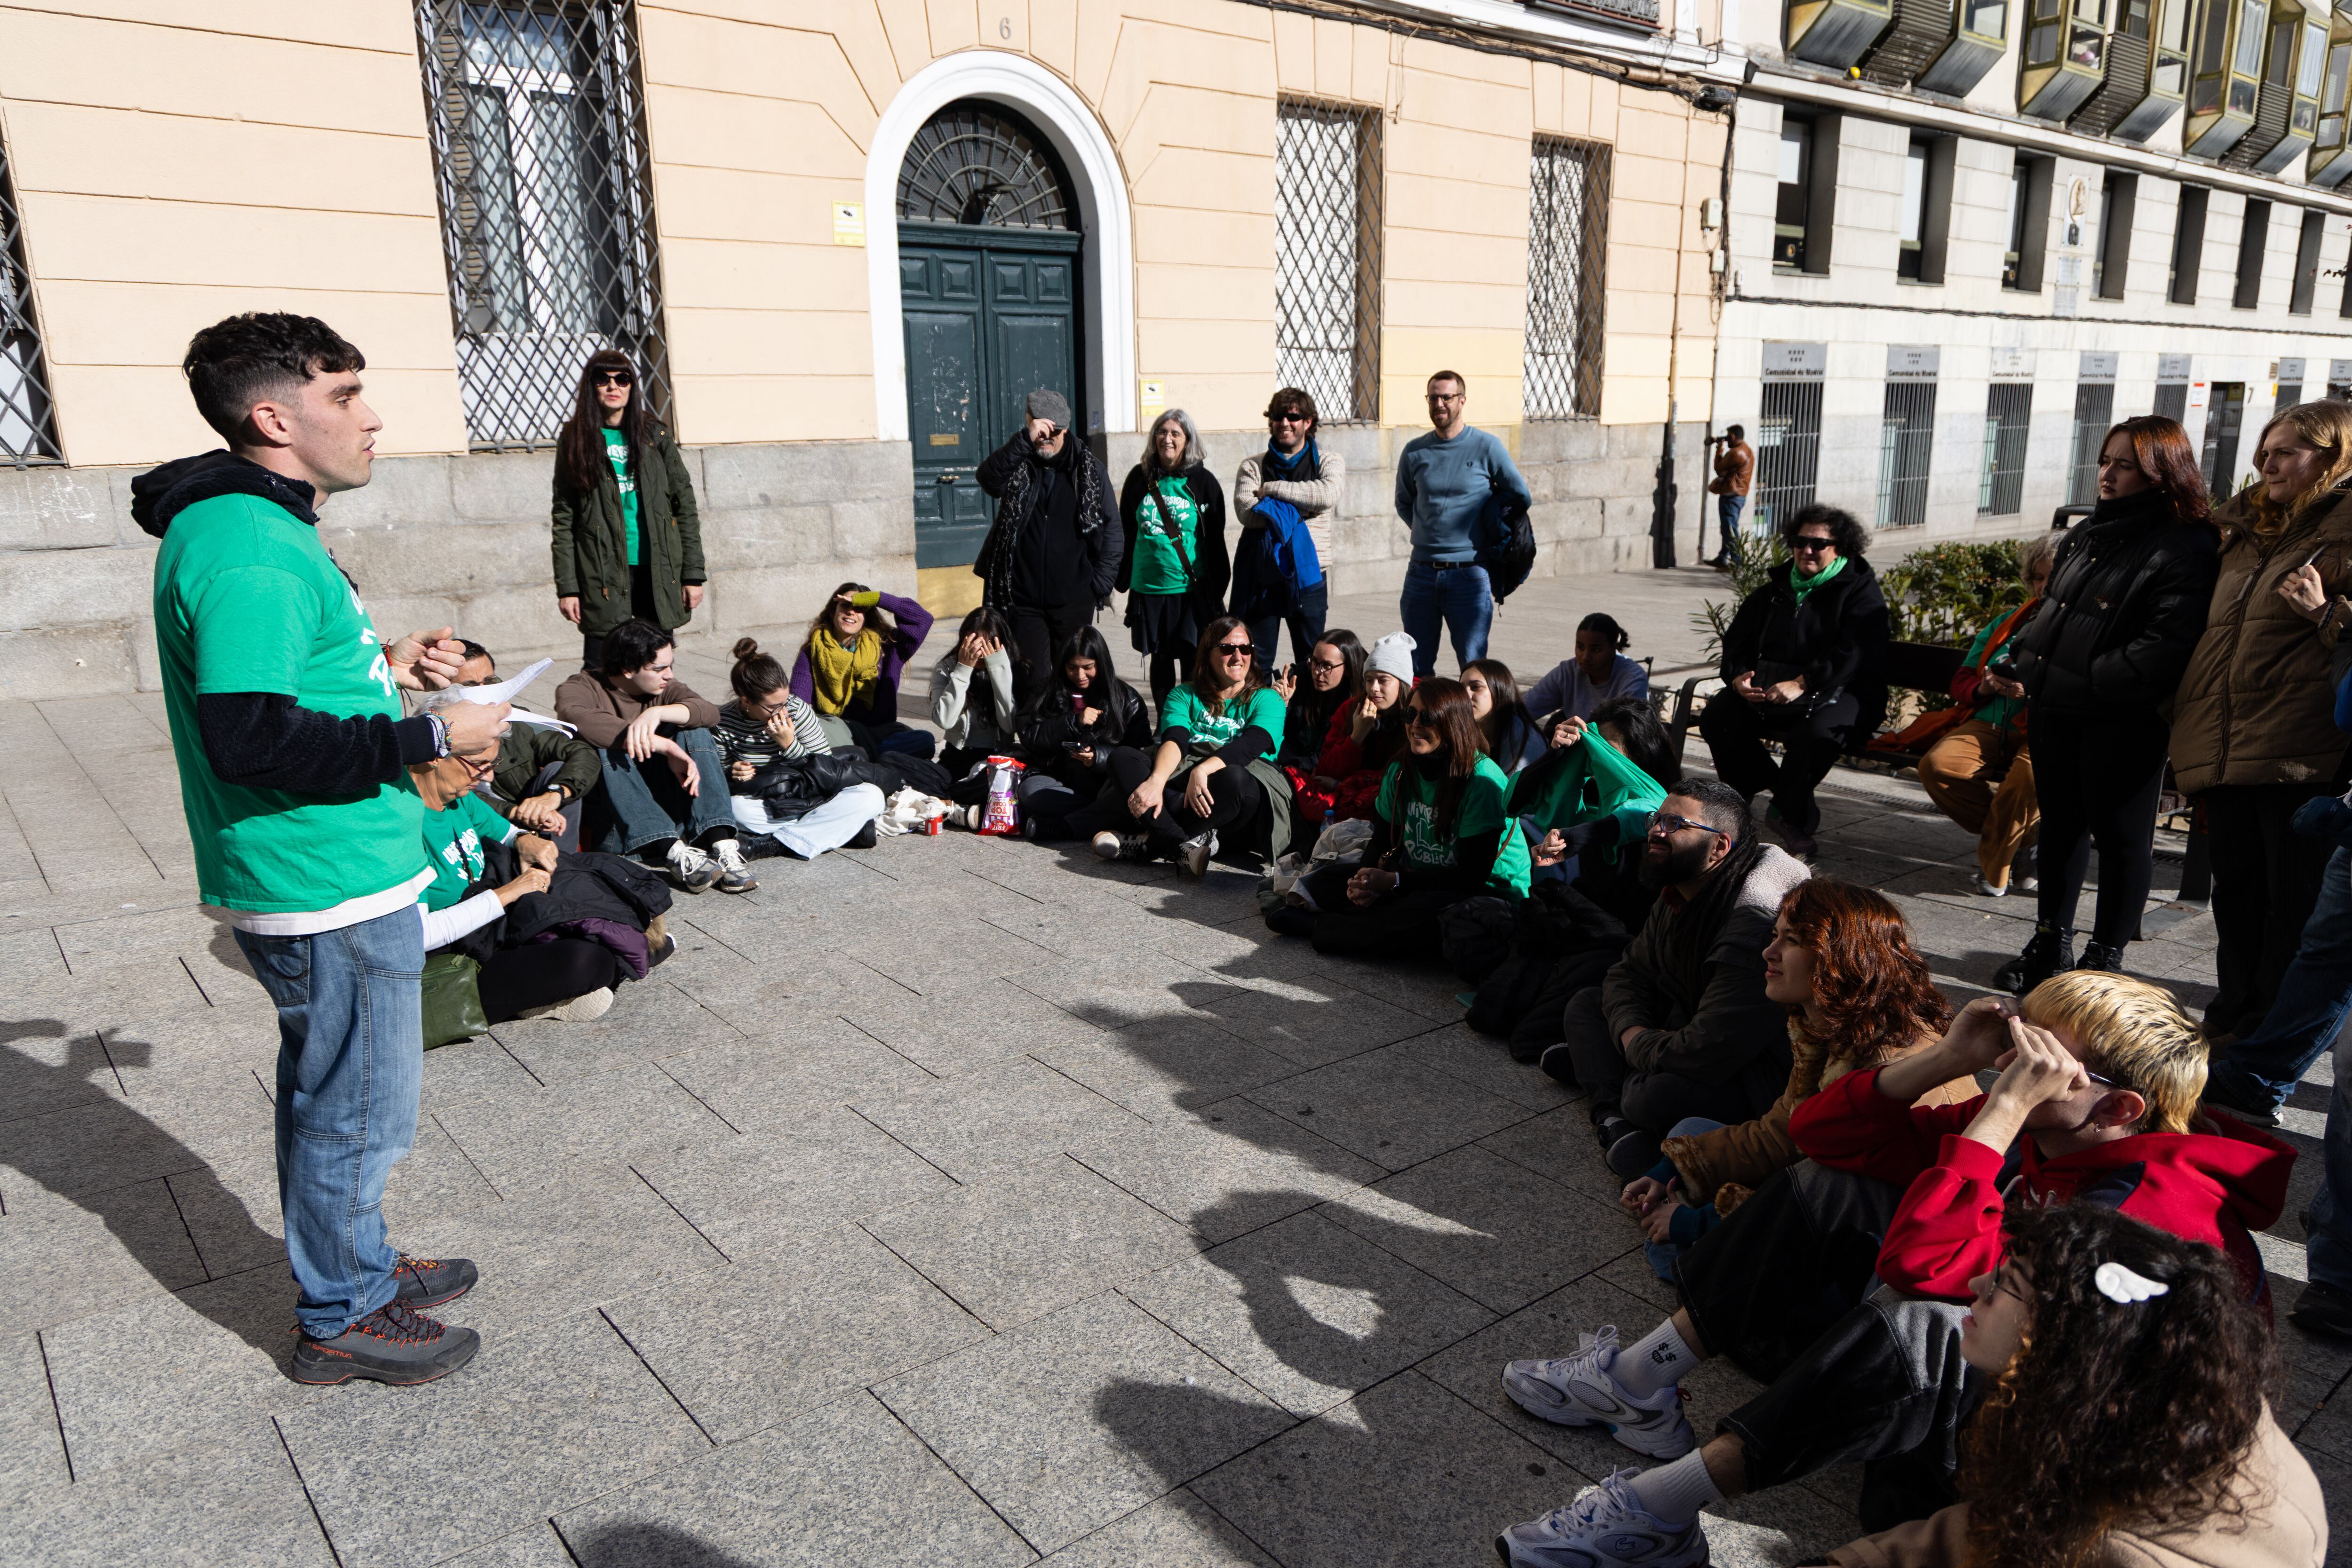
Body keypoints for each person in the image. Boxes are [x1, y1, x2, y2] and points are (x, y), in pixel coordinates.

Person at [1496, 972, 2293, 1566]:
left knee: (1926, 1321)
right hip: (2014, 1390)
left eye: (2040, 1058)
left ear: (2120, 1108)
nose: (2013, 1065)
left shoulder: (2153, 1214)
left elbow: (1924, 1270)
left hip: (2069, 1473)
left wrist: (2003, 1111)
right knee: (1828, 1188)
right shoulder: (2061, 1133)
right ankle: (1641, 1380)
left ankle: (1661, 1511)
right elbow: (1823, 1138)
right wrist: (1949, 1054)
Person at [137, 311, 501, 1384]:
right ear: (271, 415)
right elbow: (251, 733)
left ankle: (358, 1262)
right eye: (344, 396)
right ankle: (342, 1309)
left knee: (337, 1093)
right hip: (322, 877)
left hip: (336, 862)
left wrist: (383, 662)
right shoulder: (248, 543)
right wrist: (433, 734)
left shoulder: (256, 523)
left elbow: (285, 676)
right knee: (356, 1108)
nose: (372, 417)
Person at [1506, 1204, 2325, 1568]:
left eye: (2001, 1284)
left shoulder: (2123, 1550)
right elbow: (1978, 1531)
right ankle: (1656, 1470)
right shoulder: (2151, 1401)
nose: (1974, 1283)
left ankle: (1657, 1490)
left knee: (1918, 1322)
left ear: (2066, 1347)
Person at [1619, 880, 1966, 1281]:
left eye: (1793, 940)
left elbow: (1822, 1197)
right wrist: (1671, 1169)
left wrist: (1694, 1225)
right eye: (1774, 935)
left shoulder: (1888, 1071)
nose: (1769, 952)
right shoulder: (1836, 1026)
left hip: (1872, 1247)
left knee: (1678, 1249)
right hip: (1825, 1198)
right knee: (1689, 1133)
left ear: (1841, 959)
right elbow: (1781, 1133)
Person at [2000, 416, 2218, 992]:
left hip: (2120, 718)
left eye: (2125, 465)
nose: (2107, 474)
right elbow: (2056, 612)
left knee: (2122, 840)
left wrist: (2091, 682)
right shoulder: (2089, 531)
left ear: (2159, 472)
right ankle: (2049, 941)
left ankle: (2104, 960)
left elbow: (2163, 646)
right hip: (2055, 707)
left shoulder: (2186, 545)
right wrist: (2023, 660)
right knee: (2061, 830)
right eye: (2105, 460)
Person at [2169, 401, 2352, 1043]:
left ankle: (2265, 1034)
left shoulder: (2347, 525)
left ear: (2331, 458)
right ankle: (2230, 1015)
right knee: (2238, 892)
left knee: (2289, 904)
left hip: (2299, 745)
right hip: (2227, 740)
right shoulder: (2246, 528)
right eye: (2263, 451)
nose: (2265, 464)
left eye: (2285, 453)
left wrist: (2326, 614)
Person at [1546, 779, 1812, 1173]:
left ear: (1719, 847)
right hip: (1681, 1030)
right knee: (1586, 1004)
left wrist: (1632, 1044)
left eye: (1674, 824)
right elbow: (1628, 972)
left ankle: (1605, 1081)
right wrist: (1636, 1035)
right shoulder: (1681, 888)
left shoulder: (1756, 930)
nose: (1655, 830)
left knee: (1650, 1098)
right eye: (1657, 819)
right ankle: (1612, 1116)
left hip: (1750, 1075)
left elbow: (1709, 1051)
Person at [1268, 677, 1533, 956]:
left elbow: (1470, 879)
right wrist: (1365, 880)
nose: (1415, 724)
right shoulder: (1400, 769)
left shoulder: (1481, 782)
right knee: (1329, 881)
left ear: (1454, 723)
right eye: (1410, 714)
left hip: (1485, 894)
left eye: (1428, 718)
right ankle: (1351, 921)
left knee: (1426, 915)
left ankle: (1323, 927)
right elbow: (1381, 840)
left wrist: (1395, 882)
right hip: (1420, 877)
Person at [1699, 503, 1890, 860]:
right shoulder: (1776, 589)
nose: (1807, 550)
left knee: (1816, 734)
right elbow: (1738, 640)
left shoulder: (1860, 592)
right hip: (1774, 689)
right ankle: (1763, 789)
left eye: (1818, 544)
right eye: (1800, 542)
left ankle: (1787, 813)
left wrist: (1804, 682)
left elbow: (1855, 652)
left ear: (1840, 548)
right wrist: (1740, 676)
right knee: (1719, 716)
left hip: (1846, 692)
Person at [409, 729, 628, 1026]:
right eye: (479, 766)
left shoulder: (457, 797)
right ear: (436, 758)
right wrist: (509, 893)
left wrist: (526, 839)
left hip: (489, 931)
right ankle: (527, 998)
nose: (487, 778)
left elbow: (506, 831)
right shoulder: (403, 828)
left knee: (605, 914)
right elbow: (416, 938)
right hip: (447, 961)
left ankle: (539, 991)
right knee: (589, 961)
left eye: (493, 764)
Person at [1076, 616, 1286, 877]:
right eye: (1227, 649)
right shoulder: (1184, 694)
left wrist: (1203, 772)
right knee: (1123, 758)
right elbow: (1175, 740)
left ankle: (1148, 842)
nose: (1237, 656)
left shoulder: (1268, 699)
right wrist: (1155, 782)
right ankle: (1180, 847)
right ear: (1208, 654)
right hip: (1181, 788)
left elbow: (1249, 746)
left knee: (1237, 779)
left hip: (1232, 803)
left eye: (1245, 649)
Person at [555, 618, 751, 894]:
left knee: (694, 730)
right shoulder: (581, 687)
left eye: (670, 666)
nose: (669, 675)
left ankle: (720, 844)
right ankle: (671, 852)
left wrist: (656, 713)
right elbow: (574, 717)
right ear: (627, 669)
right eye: (659, 669)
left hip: (673, 812)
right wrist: (664, 746)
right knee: (601, 744)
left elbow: (709, 712)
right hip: (624, 830)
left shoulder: (663, 689)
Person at [1915, 533, 2055, 898]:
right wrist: (1986, 687)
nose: (2044, 585)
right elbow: (1962, 680)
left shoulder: (2080, 627)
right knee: (1937, 767)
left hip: (2046, 726)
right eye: (2038, 577)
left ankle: (1995, 867)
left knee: (2028, 776)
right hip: (1991, 719)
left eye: (2053, 577)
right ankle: (2025, 841)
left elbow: (2083, 688)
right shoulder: (2008, 623)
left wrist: (2031, 691)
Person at [549, 350, 704, 670]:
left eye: (622, 379)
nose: (613, 386)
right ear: (591, 386)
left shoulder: (655, 435)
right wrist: (569, 587)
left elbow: (684, 505)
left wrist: (692, 574)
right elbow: (564, 517)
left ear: (633, 386)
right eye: (602, 379)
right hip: (602, 571)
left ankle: (656, 721)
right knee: (600, 664)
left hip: (657, 566)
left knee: (657, 662)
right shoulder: (575, 438)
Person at [975, 390, 1121, 683]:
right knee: (1032, 679)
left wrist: (1097, 586)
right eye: (1040, 429)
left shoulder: (1089, 469)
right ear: (1029, 423)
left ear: (1065, 429)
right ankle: (1036, 729)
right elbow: (988, 479)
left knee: (1072, 677)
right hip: (1023, 598)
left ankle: (1070, 727)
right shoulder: (1020, 460)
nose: (1046, 437)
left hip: (1074, 598)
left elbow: (1113, 531)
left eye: (1054, 430)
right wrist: (1022, 440)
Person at [1394, 370, 1533, 677]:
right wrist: (1427, 530)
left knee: (1472, 668)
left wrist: (1491, 529)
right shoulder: (1415, 452)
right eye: (1433, 397)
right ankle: (1422, 724)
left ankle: (1473, 726)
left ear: (1462, 400)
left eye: (1447, 397)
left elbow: (1520, 496)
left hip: (1469, 576)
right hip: (1421, 573)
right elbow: (1405, 503)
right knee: (1416, 666)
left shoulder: (1487, 447)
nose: (1440, 404)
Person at [716, 638, 883, 860]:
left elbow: (828, 772)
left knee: (872, 796)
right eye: (774, 707)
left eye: (785, 701)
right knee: (736, 810)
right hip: (770, 801)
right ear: (746, 701)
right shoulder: (724, 722)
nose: (783, 711)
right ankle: (836, 830)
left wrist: (789, 746)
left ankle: (772, 845)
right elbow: (717, 775)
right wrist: (732, 771)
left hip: (813, 796)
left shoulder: (798, 710)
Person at [1118, 408, 1230, 707]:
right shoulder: (1139, 478)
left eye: (1175, 434)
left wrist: (1218, 586)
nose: (1167, 439)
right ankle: (1165, 724)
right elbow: (1126, 529)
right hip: (1149, 587)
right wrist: (1120, 578)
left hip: (1189, 588)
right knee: (1160, 657)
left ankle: (1188, 718)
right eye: (1161, 432)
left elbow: (1216, 537)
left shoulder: (1204, 482)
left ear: (1187, 440)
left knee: (1193, 658)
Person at [452, 641, 599, 854]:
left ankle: (564, 865)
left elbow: (581, 753)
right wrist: (519, 812)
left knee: (559, 770)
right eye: (472, 686)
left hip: (531, 817)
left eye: (492, 681)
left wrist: (555, 795)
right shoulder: (439, 733)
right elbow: (461, 798)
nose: (487, 692)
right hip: (481, 828)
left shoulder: (517, 719)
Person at [1233, 386, 1343, 671]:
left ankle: (1306, 716)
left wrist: (1271, 491)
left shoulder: (1329, 462)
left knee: (1313, 661)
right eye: (1279, 416)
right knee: (1256, 662)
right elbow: (1247, 512)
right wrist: (1303, 506)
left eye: (1293, 416)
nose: (1285, 423)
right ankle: (1260, 715)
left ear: (1308, 422)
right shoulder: (1252, 466)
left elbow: (1327, 495)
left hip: (1309, 575)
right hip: (1261, 576)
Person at [1015, 625, 1153, 839]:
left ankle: (1071, 823)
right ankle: (1103, 817)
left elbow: (1141, 753)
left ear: (1101, 663)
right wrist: (1073, 722)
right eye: (1072, 668)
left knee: (1126, 793)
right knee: (1031, 792)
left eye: (1088, 667)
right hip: (1058, 780)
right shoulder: (1047, 690)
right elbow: (1029, 735)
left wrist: (1098, 758)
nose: (1080, 675)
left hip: (1105, 785)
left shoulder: (1127, 698)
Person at [788, 583, 937, 759]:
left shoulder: (888, 647)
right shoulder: (813, 651)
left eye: (859, 609)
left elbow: (923, 619)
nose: (851, 612)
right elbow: (798, 705)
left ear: (867, 617)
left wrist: (875, 598)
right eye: (845, 606)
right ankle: (872, 759)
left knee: (924, 740)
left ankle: (858, 758)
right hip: (837, 729)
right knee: (813, 735)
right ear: (832, 612)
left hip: (880, 732)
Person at [1295, 629, 1414, 829]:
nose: (1374, 688)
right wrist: (1356, 737)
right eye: (1369, 680)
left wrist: (1339, 785)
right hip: (1351, 812)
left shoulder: (1418, 713)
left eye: (1383, 680)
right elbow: (1323, 770)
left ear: (1402, 683)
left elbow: (1406, 778)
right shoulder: (1352, 709)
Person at [930, 605, 1023, 780]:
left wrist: (998, 669)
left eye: (987, 645)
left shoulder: (1014, 669)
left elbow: (1009, 725)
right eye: (974, 645)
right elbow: (944, 720)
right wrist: (963, 670)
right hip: (956, 755)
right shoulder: (947, 668)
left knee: (985, 783)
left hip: (997, 758)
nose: (979, 654)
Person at [1525, 613, 1650, 723]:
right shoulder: (1568, 672)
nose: (1586, 657)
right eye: (1580, 647)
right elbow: (1523, 710)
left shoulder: (1633, 680)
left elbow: (1625, 736)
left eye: (1596, 650)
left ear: (1613, 647)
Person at [1464, 659, 1546, 773]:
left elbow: (1515, 789)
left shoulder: (1526, 740)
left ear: (1499, 690)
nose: (1466, 695)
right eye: (1461, 689)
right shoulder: (1460, 728)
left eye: (1476, 687)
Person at [1705, 425, 1754, 568]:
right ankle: (1722, 558)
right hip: (1739, 495)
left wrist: (1719, 450)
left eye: (1728, 438)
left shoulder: (1736, 453)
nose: (1727, 441)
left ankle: (1737, 561)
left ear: (1732, 437)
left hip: (1731, 496)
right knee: (1728, 528)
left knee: (1730, 529)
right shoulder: (1747, 449)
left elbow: (1718, 468)